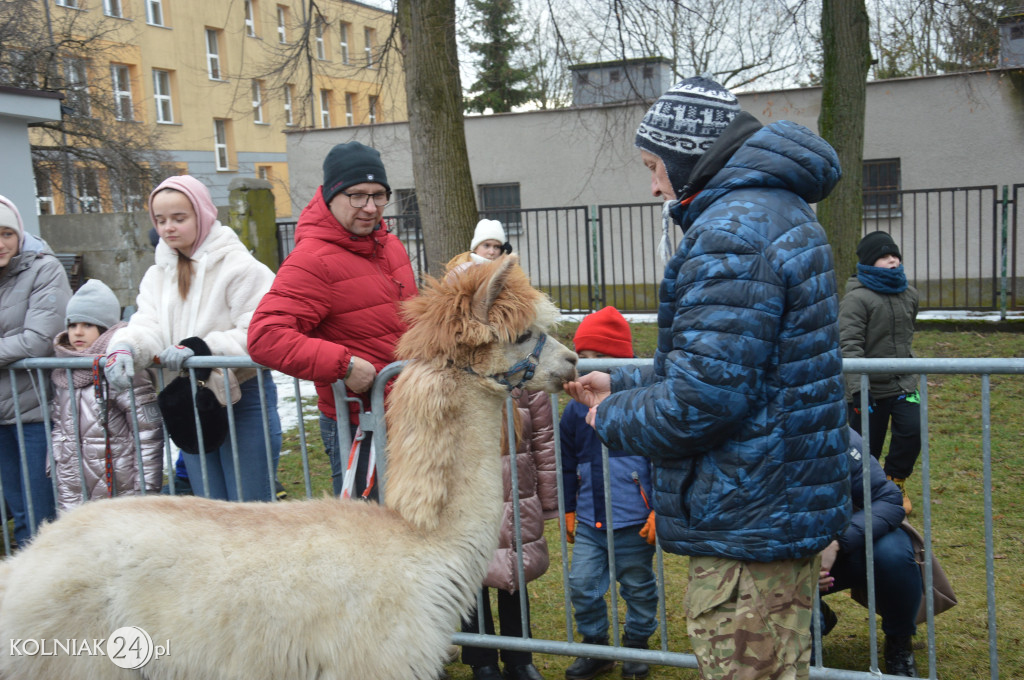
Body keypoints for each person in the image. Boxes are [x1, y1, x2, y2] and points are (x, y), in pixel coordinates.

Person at [564, 76, 851, 680]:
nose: (653, 186)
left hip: (745, 514)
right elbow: (738, 367)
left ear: (688, 157)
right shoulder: (778, 211)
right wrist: (625, 387)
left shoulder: (732, 234)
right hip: (776, 501)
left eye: (655, 166)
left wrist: (609, 416)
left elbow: (702, 399)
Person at [248, 141, 417, 500]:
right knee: (368, 540)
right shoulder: (312, 260)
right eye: (356, 196)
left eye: (378, 195)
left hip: (409, 417)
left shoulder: (390, 246)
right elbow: (265, 337)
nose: (370, 207)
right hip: (358, 425)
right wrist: (343, 365)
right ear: (330, 195)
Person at [104, 175, 281, 502]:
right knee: (206, 507)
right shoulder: (158, 274)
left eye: (178, 218)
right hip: (189, 400)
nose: (168, 227)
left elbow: (263, 332)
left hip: (242, 395)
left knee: (250, 508)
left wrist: (203, 349)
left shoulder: (241, 267)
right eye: (160, 220)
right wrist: (126, 346)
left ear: (202, 215)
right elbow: (147, 324)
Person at [445, 225, 556, 680]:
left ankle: (519, 657)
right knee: (473, 570)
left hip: (517, 481)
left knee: (515, 574)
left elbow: (544, 434)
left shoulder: (525, 359)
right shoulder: (454, 361)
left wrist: (548, 499)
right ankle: (481, 660)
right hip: (472, 480)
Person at [560, 306, 657, 680]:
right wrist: (569, 508)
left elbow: (661, 461)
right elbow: (568, 463)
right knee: (581, 583)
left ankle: (636, 645)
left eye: (599, 358)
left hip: (635, 521)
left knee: (637, 585)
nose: (589, 366)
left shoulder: (643, 405)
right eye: (583, 358)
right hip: (590, 522)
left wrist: (657, 509)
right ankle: (597, 647)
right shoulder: (572, 413)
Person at [49, 278, 163, 511]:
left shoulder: (120, 368)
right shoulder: (64, 370)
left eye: (88, 325)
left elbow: (147, 431)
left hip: (120, 482)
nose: (77, 332)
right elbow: (59, 425)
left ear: (106, 328)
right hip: (73, 480)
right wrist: (55, 462)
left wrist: (147, 487)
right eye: (72, 325)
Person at [817, 428, 920, 677]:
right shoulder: (744, 439)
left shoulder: (837, 434)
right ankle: (815, 617)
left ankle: (899, 645)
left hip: (843, 547)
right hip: (780, 561)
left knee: (892, 553)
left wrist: (837, 541)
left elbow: (888, 500)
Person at [0, 195, 71, 545]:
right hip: (1, 413)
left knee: (42, 515)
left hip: (35, 412)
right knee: (19, 510)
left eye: (6, 233)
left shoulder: (43, 269)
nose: (0, 243)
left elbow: (38, 340)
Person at [840, 231, 920, 515]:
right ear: (869, 262)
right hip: (867, 387)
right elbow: (849, 345)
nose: (892, 260)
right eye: (885, 256)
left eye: (895, 255)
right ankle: (861, 492)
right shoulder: (856, 299)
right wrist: (859, 387)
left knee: (913, 431)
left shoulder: (909, 293)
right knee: (865, 447)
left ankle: (895, 481)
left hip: (903, 384)